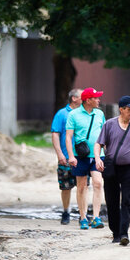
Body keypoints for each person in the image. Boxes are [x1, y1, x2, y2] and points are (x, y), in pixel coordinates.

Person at [96, 95, 130, 246]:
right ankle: (116, 233)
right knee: (111, 201)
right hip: (111, 167)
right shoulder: (109, 125)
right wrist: (98, 158)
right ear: (121, 109)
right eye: (129, 109)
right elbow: (99, 143)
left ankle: (124, 233)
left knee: (127, 200)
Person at [66, 87, 106, 230]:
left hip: (97, 155)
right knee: (82, 186)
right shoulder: (74, 115)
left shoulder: (100, 114)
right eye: (95, 98)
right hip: (80, 156)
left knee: (98, 183)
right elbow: (69, 136)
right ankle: (83, 217)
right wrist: (70, 156)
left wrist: (107, 153)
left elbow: (104, 135)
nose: (98, 100)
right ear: (88, 100)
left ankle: (96, 217)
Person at [51, 88, 83, 225]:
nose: (85, 98)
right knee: (65, 186)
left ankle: (83, 214)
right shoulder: (62, 114)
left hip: (82, 157)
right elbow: (55, 134)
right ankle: (66, 211)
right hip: (65, 156)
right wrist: (59, 153)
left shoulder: (83, 114)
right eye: (82, 96)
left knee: (83, 186)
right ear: (74, 98)